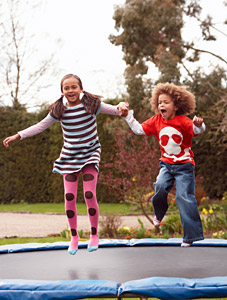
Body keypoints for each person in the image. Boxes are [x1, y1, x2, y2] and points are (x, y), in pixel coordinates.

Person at [3, 74, 128, 255]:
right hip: (69, 157)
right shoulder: (59, 110)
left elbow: (117, 110)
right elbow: (40, 126)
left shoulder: (92, 105)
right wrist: (18, 135)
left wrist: (123, 107)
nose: (70, 91)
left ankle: (94, 235)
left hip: (90, 154)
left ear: (81, 89)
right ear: (62, 92)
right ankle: (74, 237)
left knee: (88, 193)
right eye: (66, 88)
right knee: (69, 196)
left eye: (74, 87)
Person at [121, 82, 205, 247]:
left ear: (176, 106)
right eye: (159, 103)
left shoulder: (183, 121)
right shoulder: (156, 120)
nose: (162, 105)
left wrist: (199, 125)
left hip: (184, 167)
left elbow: (196, 131)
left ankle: (190, 237)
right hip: (166, 165)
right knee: (159, 186)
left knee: (183, 197)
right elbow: (139, 130)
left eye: (166, 102)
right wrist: (127, 117)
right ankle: (159, 215)